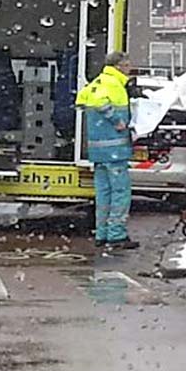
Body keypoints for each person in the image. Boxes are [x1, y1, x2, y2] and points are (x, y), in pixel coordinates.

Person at [75, 52, 139, 249]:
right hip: (115, 151)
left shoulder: (97, 81)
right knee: (120, 193)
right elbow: (101, 103)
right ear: (118, 66)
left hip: (98, 152)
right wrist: (117, 120)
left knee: (103, 194)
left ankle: (101, 233)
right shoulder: (112, 83)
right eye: (127, 65)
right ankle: (116, 235)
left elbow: (81, 101)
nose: (129, 69)